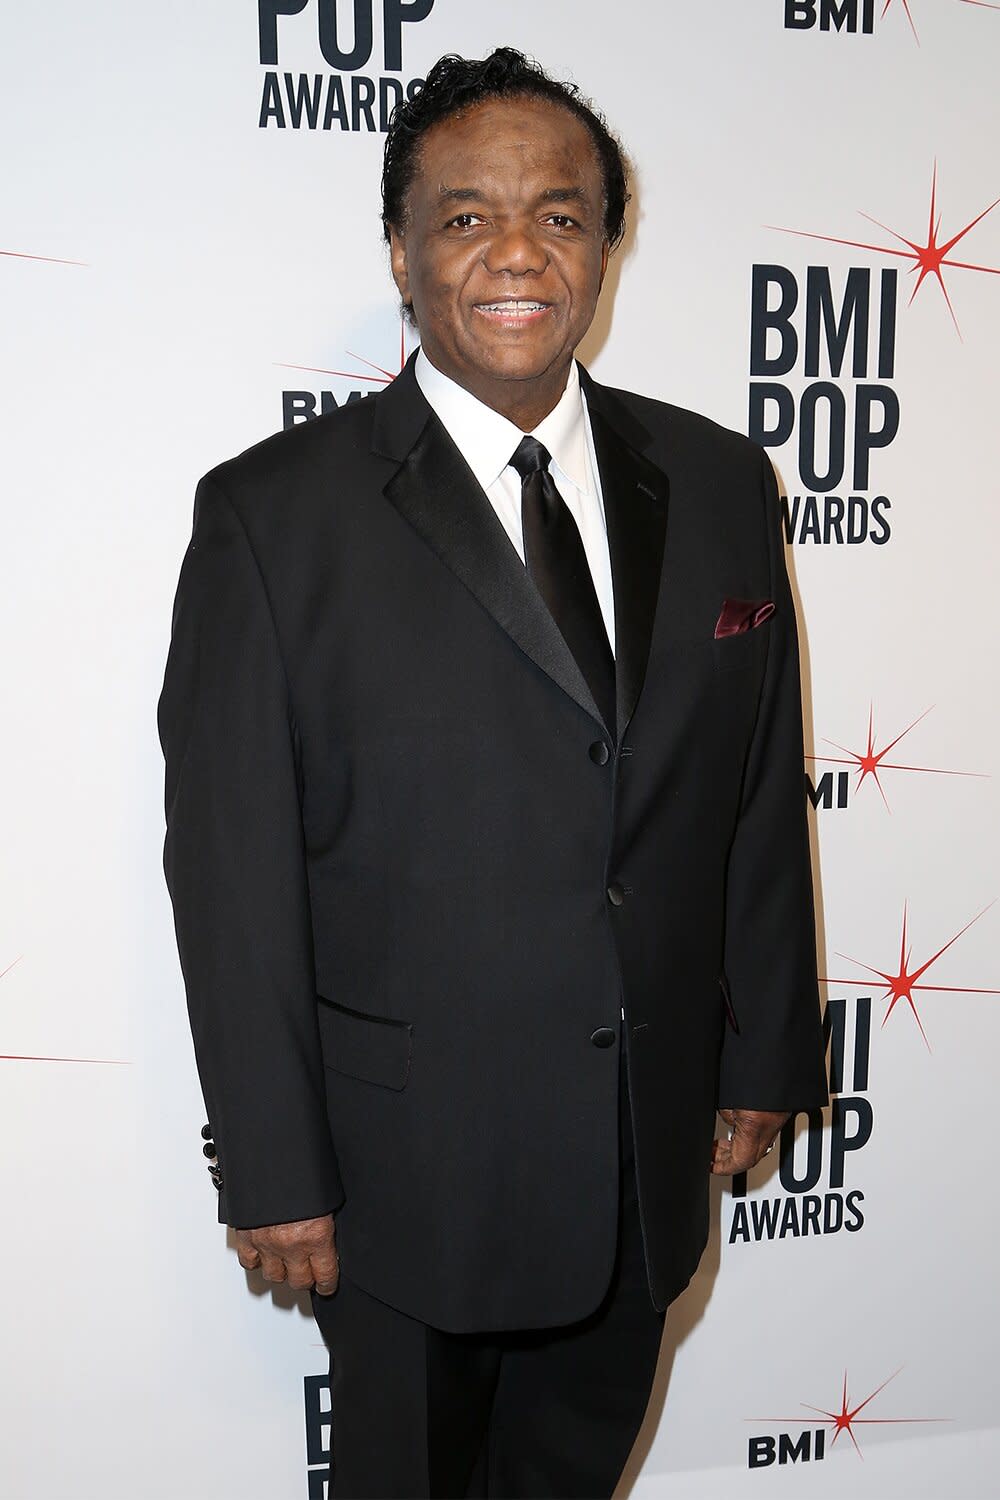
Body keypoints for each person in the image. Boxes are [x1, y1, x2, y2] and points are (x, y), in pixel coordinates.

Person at [158, 46, 828, 1500]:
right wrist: (272, 1166)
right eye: (466, 217)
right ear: (401, 252)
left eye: (562, 214)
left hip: (644, 1155)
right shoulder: (273, 520)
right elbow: (231, 871)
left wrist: (767, 1048)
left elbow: (758, 788)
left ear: (606, 243)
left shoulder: (720, 483)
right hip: (401, 1187)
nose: (519, 251)